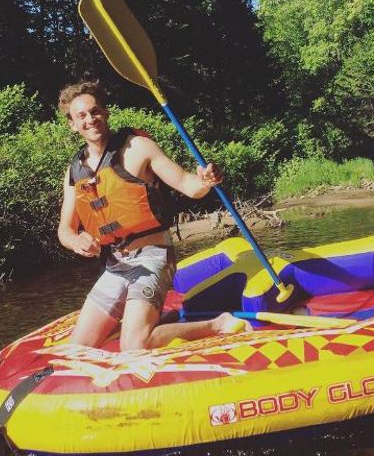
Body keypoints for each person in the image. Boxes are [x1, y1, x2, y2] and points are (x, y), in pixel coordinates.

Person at [57, 81, 241, 350]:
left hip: (154, 256)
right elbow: (65, 230)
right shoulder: (75, 172)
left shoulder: (138, 147)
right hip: (116, 264)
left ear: (106, 113)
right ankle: (153, 322)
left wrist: (205, 180)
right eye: (81, 116)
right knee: (78, 349)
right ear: (73, 124)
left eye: (95, 112)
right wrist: (77, 241)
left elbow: (189, 185)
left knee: (134, 346)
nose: (90, 119)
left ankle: (219, 323)